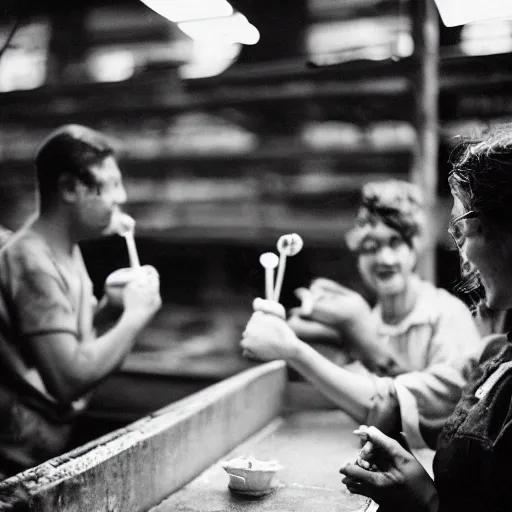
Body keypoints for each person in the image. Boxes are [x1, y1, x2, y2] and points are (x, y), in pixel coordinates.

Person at [241, 180, 482, 457]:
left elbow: (431, 413)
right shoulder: (370, 319)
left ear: (414, 247)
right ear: (357, 256)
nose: (385, 258)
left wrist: (358, 335)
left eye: (395, 242)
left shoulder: (447, 315)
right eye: (370, 247)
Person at [340, 130, 512, 512]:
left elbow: (396, 396)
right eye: (370, 246)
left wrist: (425, 502)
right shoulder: (499, 354)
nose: (462, 257)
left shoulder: (448, 318)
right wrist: (419, 484)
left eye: (464, 228)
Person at [0, 124, 162, 479]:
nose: (121, 197)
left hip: (43, 456)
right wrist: (135, 317)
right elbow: (68, 378)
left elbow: (75, 343)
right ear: (71, 188)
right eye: (111, 185)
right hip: (14, 470)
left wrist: (112, 306)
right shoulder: (32, 263)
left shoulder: (66, 249)